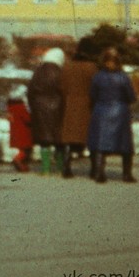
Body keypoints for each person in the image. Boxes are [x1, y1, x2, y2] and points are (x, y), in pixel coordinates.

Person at [88, 47, 136, 184]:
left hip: (101, 110)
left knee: (100, 144)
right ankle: (127, 174)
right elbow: (131, 97)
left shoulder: (97, 77)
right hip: (120, 111)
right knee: (125, 145)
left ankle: (99, 173)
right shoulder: (123, 77)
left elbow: (92, 95)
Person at [58, 40, 99, 179]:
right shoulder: (92, 67)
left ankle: (66, 167)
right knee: (91, 138)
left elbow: (61, 87)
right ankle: (94, 169)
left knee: (69, 137)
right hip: (87, 106)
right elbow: (95, 88)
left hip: (70, 105)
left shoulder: (67, 67)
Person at [28, 47, 65, 175]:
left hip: (40, 107)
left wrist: (33, 106)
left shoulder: (38, 71)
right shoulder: (61, 72)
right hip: (58, 107)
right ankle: (60, 168)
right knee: (59, 140)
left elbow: (30, 91)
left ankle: (46, 169)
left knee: (44, 140)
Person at [7, 85, 33, 172]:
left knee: (22, 149)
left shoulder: (10, 107)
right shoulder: (21, 107)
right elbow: (27, 118)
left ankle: (22, 165)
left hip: (15, 131)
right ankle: (17, 160)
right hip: (23, 131)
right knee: (25, 150)